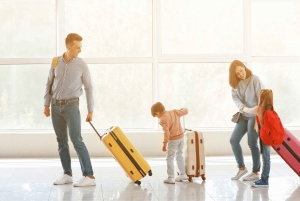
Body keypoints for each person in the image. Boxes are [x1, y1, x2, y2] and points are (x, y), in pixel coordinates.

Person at [44, 33, 96, 187]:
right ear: (68, 46)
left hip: (72, 105)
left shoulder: (82, 64)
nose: (80, 50)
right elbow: (49, 83)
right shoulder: (55, 62)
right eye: (77, 47)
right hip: (55, 105)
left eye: (81, 47)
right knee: (61, 141)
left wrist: (90, 110)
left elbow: (88, 87)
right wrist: (46, 104)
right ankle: (67, 174)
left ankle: (89, 176)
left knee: (76, 139)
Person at [229, 60, 264, 181]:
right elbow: (237, 101)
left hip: (255, 115)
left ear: (244, 67)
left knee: (252, 142)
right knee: (233, 140)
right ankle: (242, 168)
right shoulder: (235, 85)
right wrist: (244, 108)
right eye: (237, 73)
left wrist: (258, 116)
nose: (240, 74)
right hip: (244, 114)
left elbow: (261, 97)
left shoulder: (255, 79)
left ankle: (255, 172)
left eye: (241, 71)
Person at [151, 102, 188, 184]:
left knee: (170, 157)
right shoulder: (174, 112)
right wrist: (183, 108)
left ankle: (171, 177)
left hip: (173, 140)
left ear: (157, 112)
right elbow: (185, 111)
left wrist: (164, 144)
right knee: (179, 155)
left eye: (156, 116)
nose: (157, 118)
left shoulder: (163, 119)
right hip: (181, 138)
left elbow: (166, 133)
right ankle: (183, 174)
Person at [242, 89, 273, 187]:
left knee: (265, 157)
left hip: (264, 135)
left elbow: (247, 110)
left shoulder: (258, 108)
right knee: (267, 158)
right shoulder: (272, 109)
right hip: (270, 135)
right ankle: (264, 178)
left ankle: (264, 180)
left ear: (262, 98)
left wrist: (243, 107)